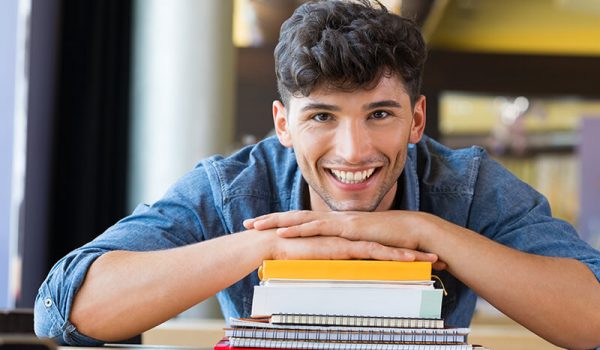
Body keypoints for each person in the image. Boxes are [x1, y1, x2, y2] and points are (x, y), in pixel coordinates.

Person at [35, 0, 600, 348]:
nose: (353, 150)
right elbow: (65, 310)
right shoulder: (236, 186)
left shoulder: (468, 186)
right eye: (322, 117)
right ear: (283, 124)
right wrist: (270, 249)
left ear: (417, 119)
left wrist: (430, 233)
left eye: (379, 114)